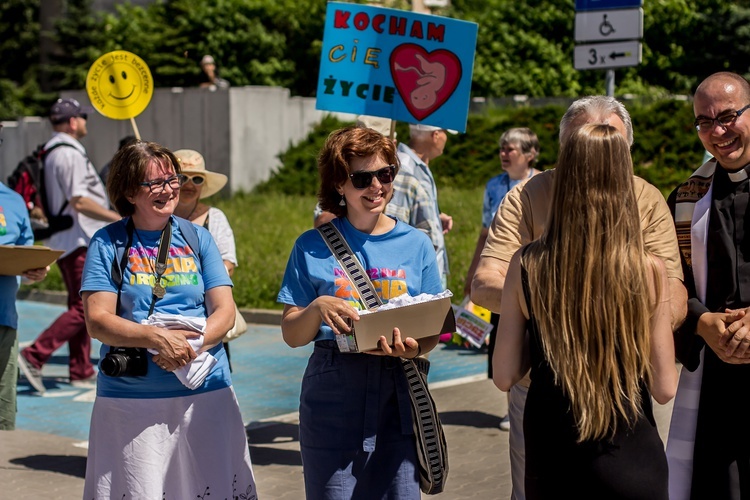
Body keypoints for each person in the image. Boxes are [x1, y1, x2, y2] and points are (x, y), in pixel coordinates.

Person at [471, 95, 687, 500]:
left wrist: (550, 312)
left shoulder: (526, 265)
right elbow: (664, 387)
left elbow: (503, 375)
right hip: (630, 443)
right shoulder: (648, 270)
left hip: (551, 447)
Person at [80, 141, 256, 498]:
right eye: (155, 184)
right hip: (131, 401)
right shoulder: (108, 243)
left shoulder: (198, 237)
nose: (169, 190)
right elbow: (97, 321)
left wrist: (188, 346)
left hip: (205, 390)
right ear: (129, 191)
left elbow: (224, 311)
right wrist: (157, 339)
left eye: (172, 179)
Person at [278, 126, 443, 499]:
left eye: (384, 174)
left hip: (397, 392)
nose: (376, 187)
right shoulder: (310, 246)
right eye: (362, 178)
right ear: (339, 184)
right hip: (332, 392)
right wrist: (317, 309)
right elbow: (291, 334)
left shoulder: (417, 243)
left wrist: (411, 348)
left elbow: (433, 330)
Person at [666, 71, 750, 499]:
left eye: (729, 116)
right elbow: (669, 280)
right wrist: (701, 323)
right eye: (704, 121)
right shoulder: (685, 198)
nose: (718, 131)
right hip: (718, 374)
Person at [17, 98, 121, 393]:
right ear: (73, 122)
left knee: (79, 304)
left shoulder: (53, 151)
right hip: (79, 238)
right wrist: (118, 217)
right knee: (83, 308)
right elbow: (80, 200)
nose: (86, 122)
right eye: (83, 118)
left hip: (69, 238)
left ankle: (80, 368)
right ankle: (34, 355)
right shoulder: (69, 154)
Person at [463, 128, 541, 431]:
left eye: (511, 149)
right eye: (502, 149)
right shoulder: (494, 186)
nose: (504, 154)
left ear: (530, 153)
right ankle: (511, 404)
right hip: (498, 276)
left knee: (530, 340)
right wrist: (472, 275)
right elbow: (485, 233)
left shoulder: (541, 184)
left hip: (530, 274)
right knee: (502, 340)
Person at [0, 124, 49, 429]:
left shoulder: (13, 200)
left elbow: (24, 262)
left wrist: (35, 272)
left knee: (2, 419)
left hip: (5, 322)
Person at [173, 148, 238, 369]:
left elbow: (228, 262)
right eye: (183, 177)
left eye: (197, 178)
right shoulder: (156, 218)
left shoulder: (215, 217)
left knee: (210, 376)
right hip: (166, 313)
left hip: (206, 313)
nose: (190, 184)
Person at [394, 123, 456, 288]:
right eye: (445, 133)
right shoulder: (405, 166)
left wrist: (435, 217)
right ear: (436, 135)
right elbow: (397, 220)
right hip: (418, 274)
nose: (445, 139)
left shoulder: (418, 165)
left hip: (428, 268)